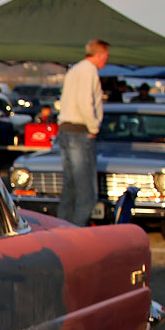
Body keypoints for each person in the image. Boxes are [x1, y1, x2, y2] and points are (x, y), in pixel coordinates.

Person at [57, 39, 110, 225]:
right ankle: (76, 232)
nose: (106, 60)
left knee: (70, 188)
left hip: (66, 129)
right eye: (106, 56)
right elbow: (85, 102)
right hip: (80, 131)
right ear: (101, 54)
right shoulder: (89, 71)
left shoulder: (75, 70)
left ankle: (61, 229)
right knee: (86, 193)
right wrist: (93, 127)